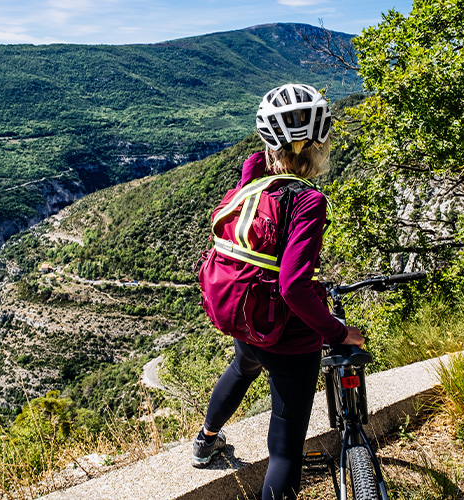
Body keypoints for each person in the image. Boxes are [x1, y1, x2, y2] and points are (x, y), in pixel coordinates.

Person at [191, 83, 365, 500]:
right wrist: (338, 333)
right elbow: (293, 287)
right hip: (289, 338)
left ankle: (205, 440)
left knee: (241, 368)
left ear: (269, 143)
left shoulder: (253, 182)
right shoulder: (308, 201)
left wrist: (267, 155)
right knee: (285, 451)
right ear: (319, 146)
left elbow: (256, 166)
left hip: (249, 319)